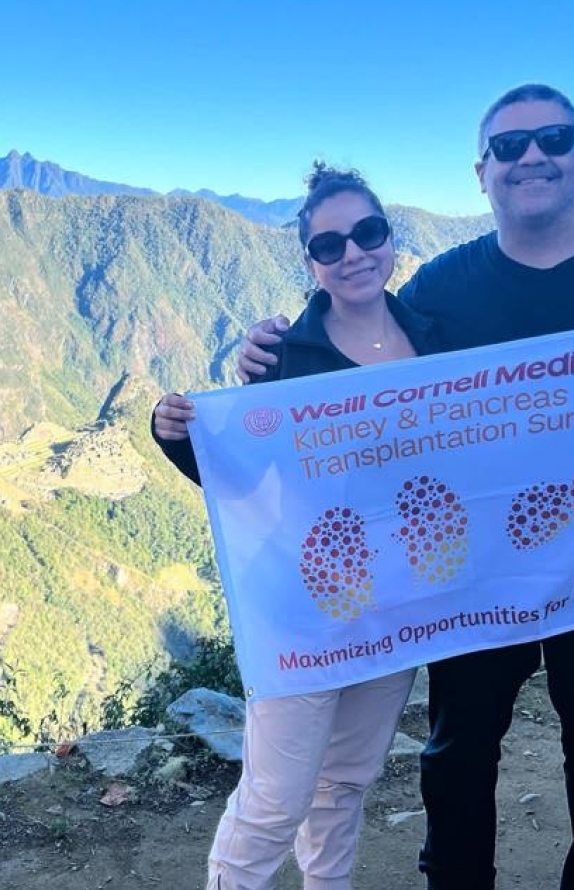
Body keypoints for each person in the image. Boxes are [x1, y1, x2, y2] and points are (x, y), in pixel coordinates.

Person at [234, 85, 574, 890]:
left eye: (553, 138)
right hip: (474, 575)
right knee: (460, 755)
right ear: (482, 172)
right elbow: (362, 382)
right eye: (510, 146)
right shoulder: (441, 292)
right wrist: (271, 363)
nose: (533, 155)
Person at [153, 164, 434, 890]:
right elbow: (243, 482)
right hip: (303, 609)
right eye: (330, 245)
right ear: (310, 262)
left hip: (395, 609)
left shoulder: (437, 343)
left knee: (345, 785)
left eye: (367, 233)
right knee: (275, 801)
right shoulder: (283, 359)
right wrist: (180, 435)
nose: (354, 254)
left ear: (390, 237)